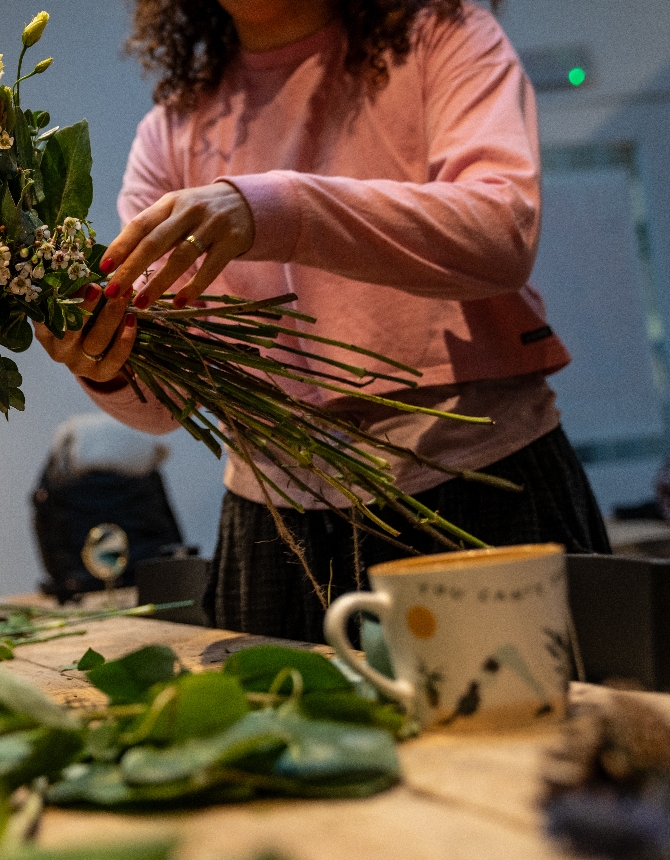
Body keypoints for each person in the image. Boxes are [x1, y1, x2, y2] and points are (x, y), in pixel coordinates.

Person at [37, 0, 611, 643]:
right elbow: (168, 397)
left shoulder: (441, 35)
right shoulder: (172, 129)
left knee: (521, 713)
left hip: (476, 484)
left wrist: (278, 209)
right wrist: (107, 359)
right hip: (274, 526)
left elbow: (500, 232)